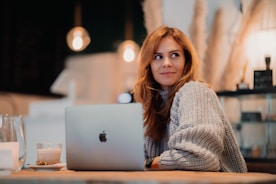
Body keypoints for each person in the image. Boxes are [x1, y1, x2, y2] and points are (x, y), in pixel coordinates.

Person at [133, 26, 247, 172]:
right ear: (148, 65)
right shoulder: (151, 107)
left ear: (186, 60)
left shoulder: (195, 91)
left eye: (174, 55)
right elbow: (136, 158)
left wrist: (148, 163)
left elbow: (198, 158)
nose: (166, 63)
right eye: (158, 57)